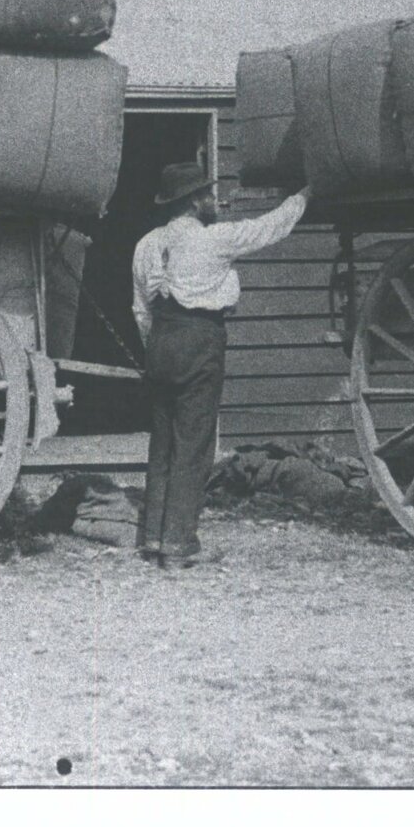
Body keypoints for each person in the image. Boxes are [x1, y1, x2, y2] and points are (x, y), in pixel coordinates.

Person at [131, 163, 310, 568]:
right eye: (209, 194)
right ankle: (178, 544)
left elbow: (140, 310)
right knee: (194, 444)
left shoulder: (145, 245)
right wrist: (305, 196)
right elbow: (269, 227)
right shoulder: (213, 240)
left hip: (161, 341)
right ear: (194, 201)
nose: (215, 201)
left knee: (162, 444)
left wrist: (156, 349)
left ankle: (154, 538)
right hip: (200, 339)